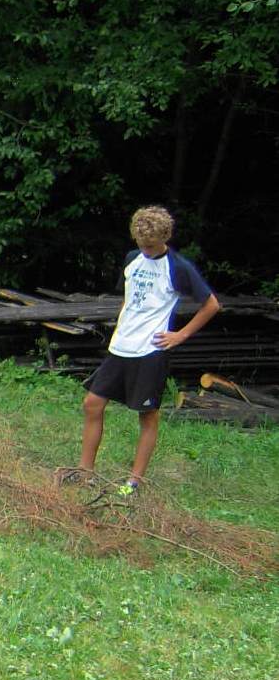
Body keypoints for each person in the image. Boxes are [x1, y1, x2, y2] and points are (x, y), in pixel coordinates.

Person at [62, 206, 220, 496]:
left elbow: (211, 304)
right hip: (121, 346)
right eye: (141, 244)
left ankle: (133, 483)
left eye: (151, 246)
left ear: (165, 238)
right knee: (92, 404)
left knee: (147, 415)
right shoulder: (132, 259)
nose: (145, 250)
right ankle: (85, 473)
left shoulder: (178, 267)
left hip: (151, 351)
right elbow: (131, 297)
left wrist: (180, 335)